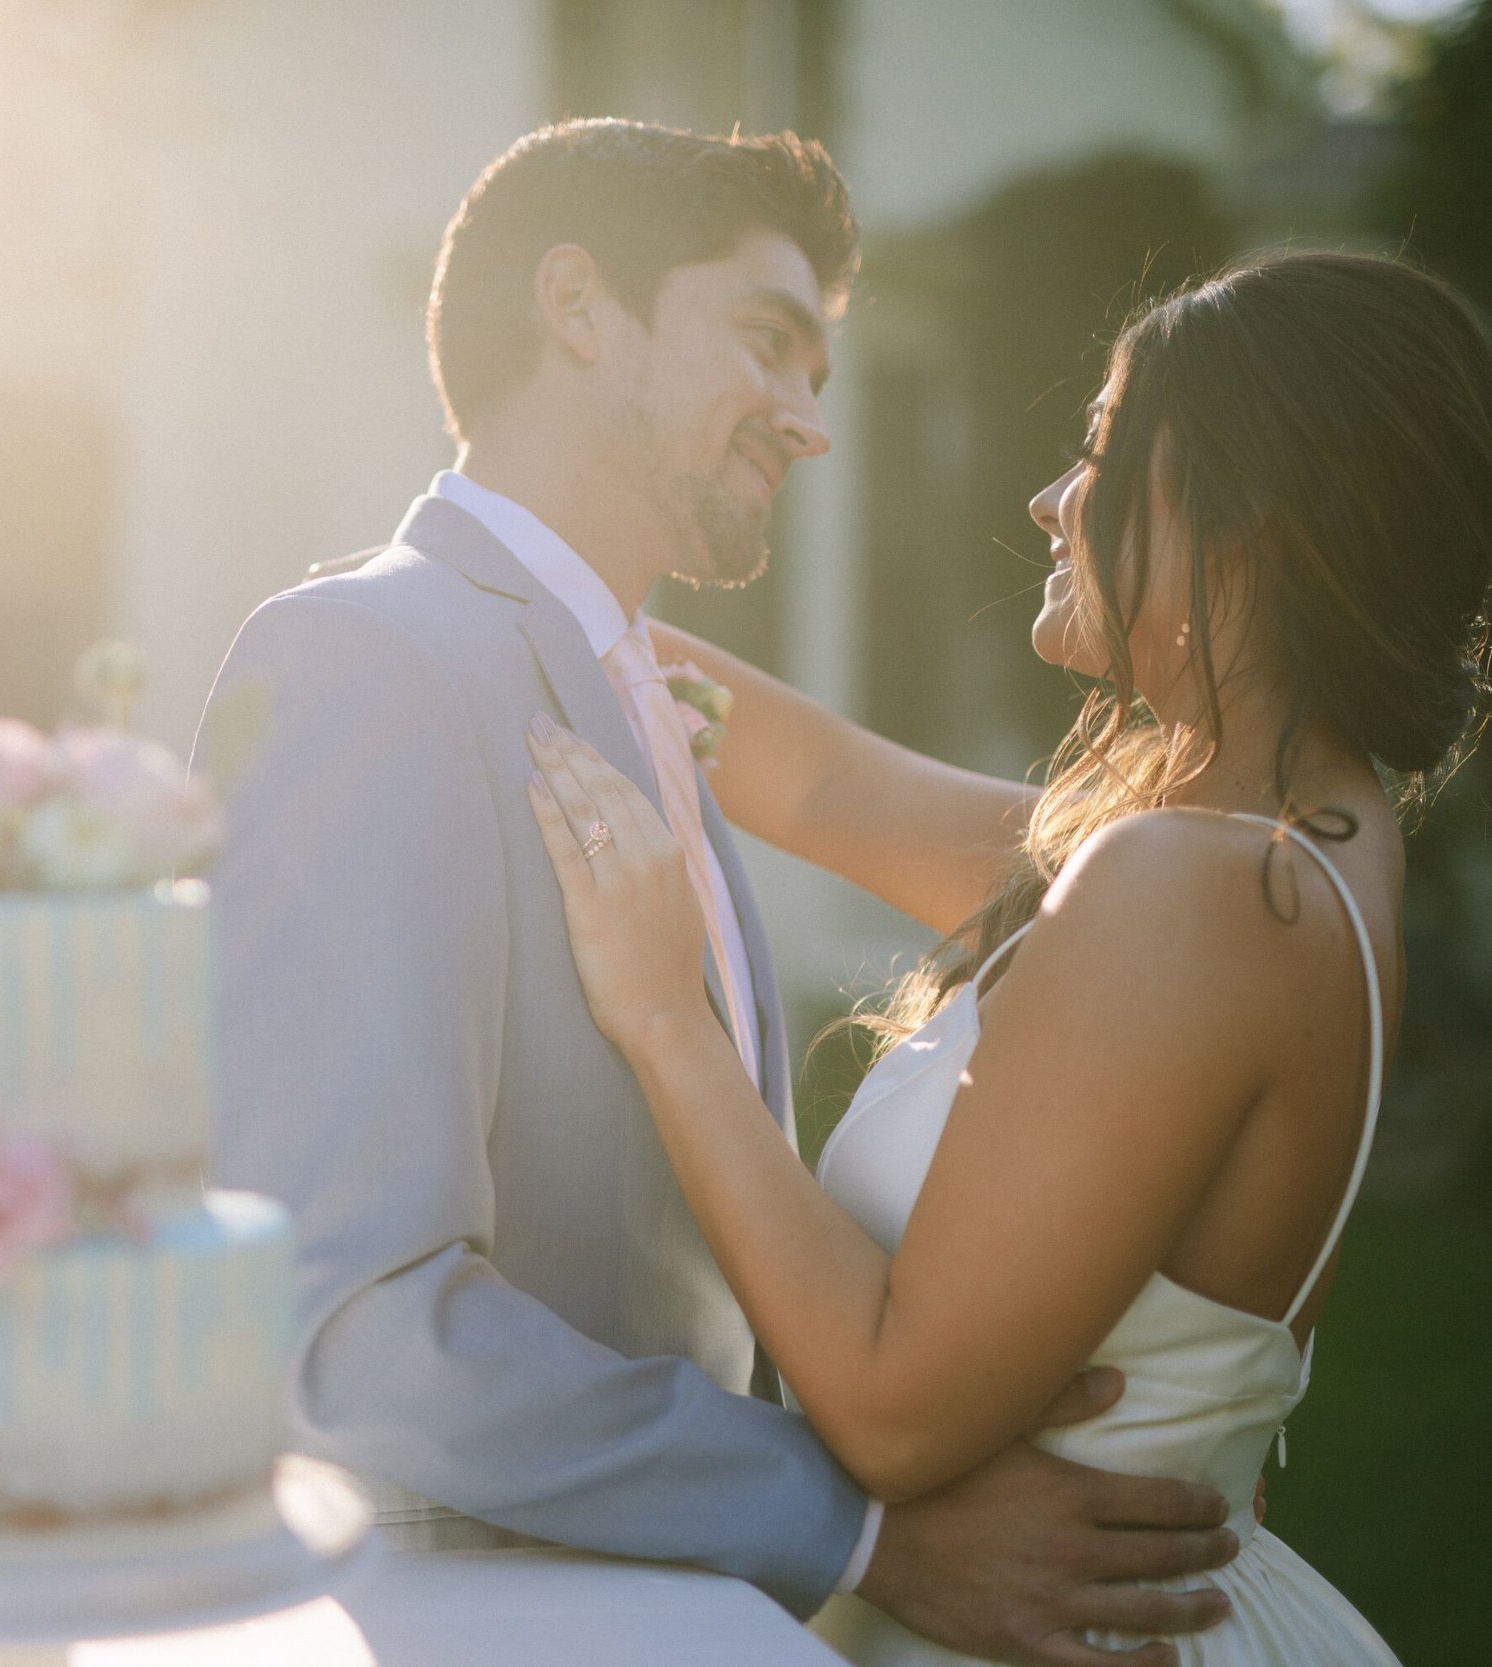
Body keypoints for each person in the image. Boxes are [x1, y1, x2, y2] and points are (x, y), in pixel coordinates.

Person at [196, 118, 1242, 1660]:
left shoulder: (642, 698)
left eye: (819, 370)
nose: (809, 420)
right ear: (576, 308)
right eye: (769, 344)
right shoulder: (373, 657)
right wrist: (859, 1524)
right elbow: (346, 1318)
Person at [523, 249, 1492, 1663]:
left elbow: (887, 1403)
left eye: (1105, 454)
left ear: (1249, 517)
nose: (1052, 501)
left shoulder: (1195, 894)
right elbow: (825, 786)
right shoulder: (1282, 847)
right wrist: (486, 603)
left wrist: (663, 1010)